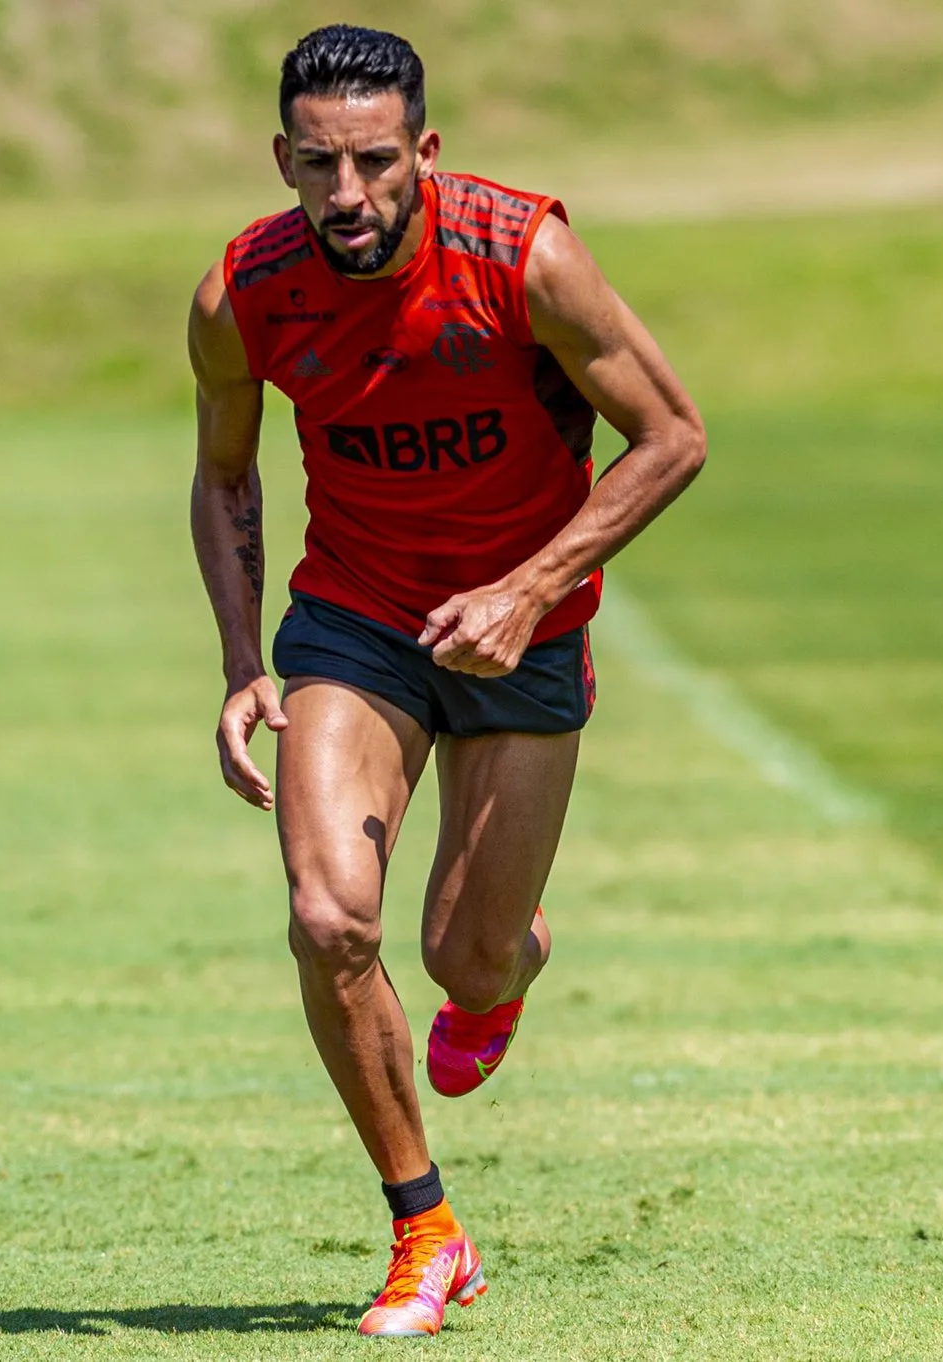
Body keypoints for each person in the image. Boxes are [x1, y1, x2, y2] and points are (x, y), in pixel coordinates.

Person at [186, 24, 707, 1339]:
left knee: (462, 958)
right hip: (353, 622)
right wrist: (247, 663)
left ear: (425, 150)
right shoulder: (243, 291)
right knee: (328, 915)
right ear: (283, 160)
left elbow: (672, 437)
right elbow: (230, 473)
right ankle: (426, 1228)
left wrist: (527, 590)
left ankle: (511, 964)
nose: (346, 195)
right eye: (318, 166)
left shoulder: (522, 253)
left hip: (524, 630)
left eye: (372, 162)